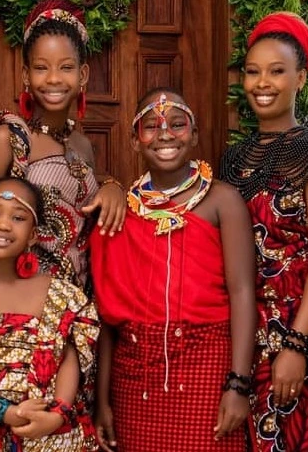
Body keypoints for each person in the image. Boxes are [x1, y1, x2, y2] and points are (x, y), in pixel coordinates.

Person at [90, 88, 257, 452]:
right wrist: (101, 401)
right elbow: (108, 318)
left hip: (206, 368)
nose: (165, 134)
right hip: (135, 379)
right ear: (135, 141)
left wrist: (239, 383)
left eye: (177, 124)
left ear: (194, 135)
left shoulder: (222, 201)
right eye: (151, 126)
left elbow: (243, 292)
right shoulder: (120, 212)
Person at [220, 12, 308, 451]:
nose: (262, 83)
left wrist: (296, 344)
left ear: (301, 79)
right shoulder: (233, 160)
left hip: (297, 330)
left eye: (276, 71)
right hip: (242, 336)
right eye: (252, 72)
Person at [0, 176, 99, 452]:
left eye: (18, 218)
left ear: (34, 235)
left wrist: (58, 413)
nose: (3, 224)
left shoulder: (57, 291)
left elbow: (68, 357)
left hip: (53, 434)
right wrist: (7, 413)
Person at [0, 0, 125, 295]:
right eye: (41, 68)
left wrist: (113, 186)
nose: (54, 79)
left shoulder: (82, 145)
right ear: (26, 75)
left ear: (83, 75)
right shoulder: (8, 140)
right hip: (20, 300)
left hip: (77, 301)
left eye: (66, 67)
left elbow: (87, 206)